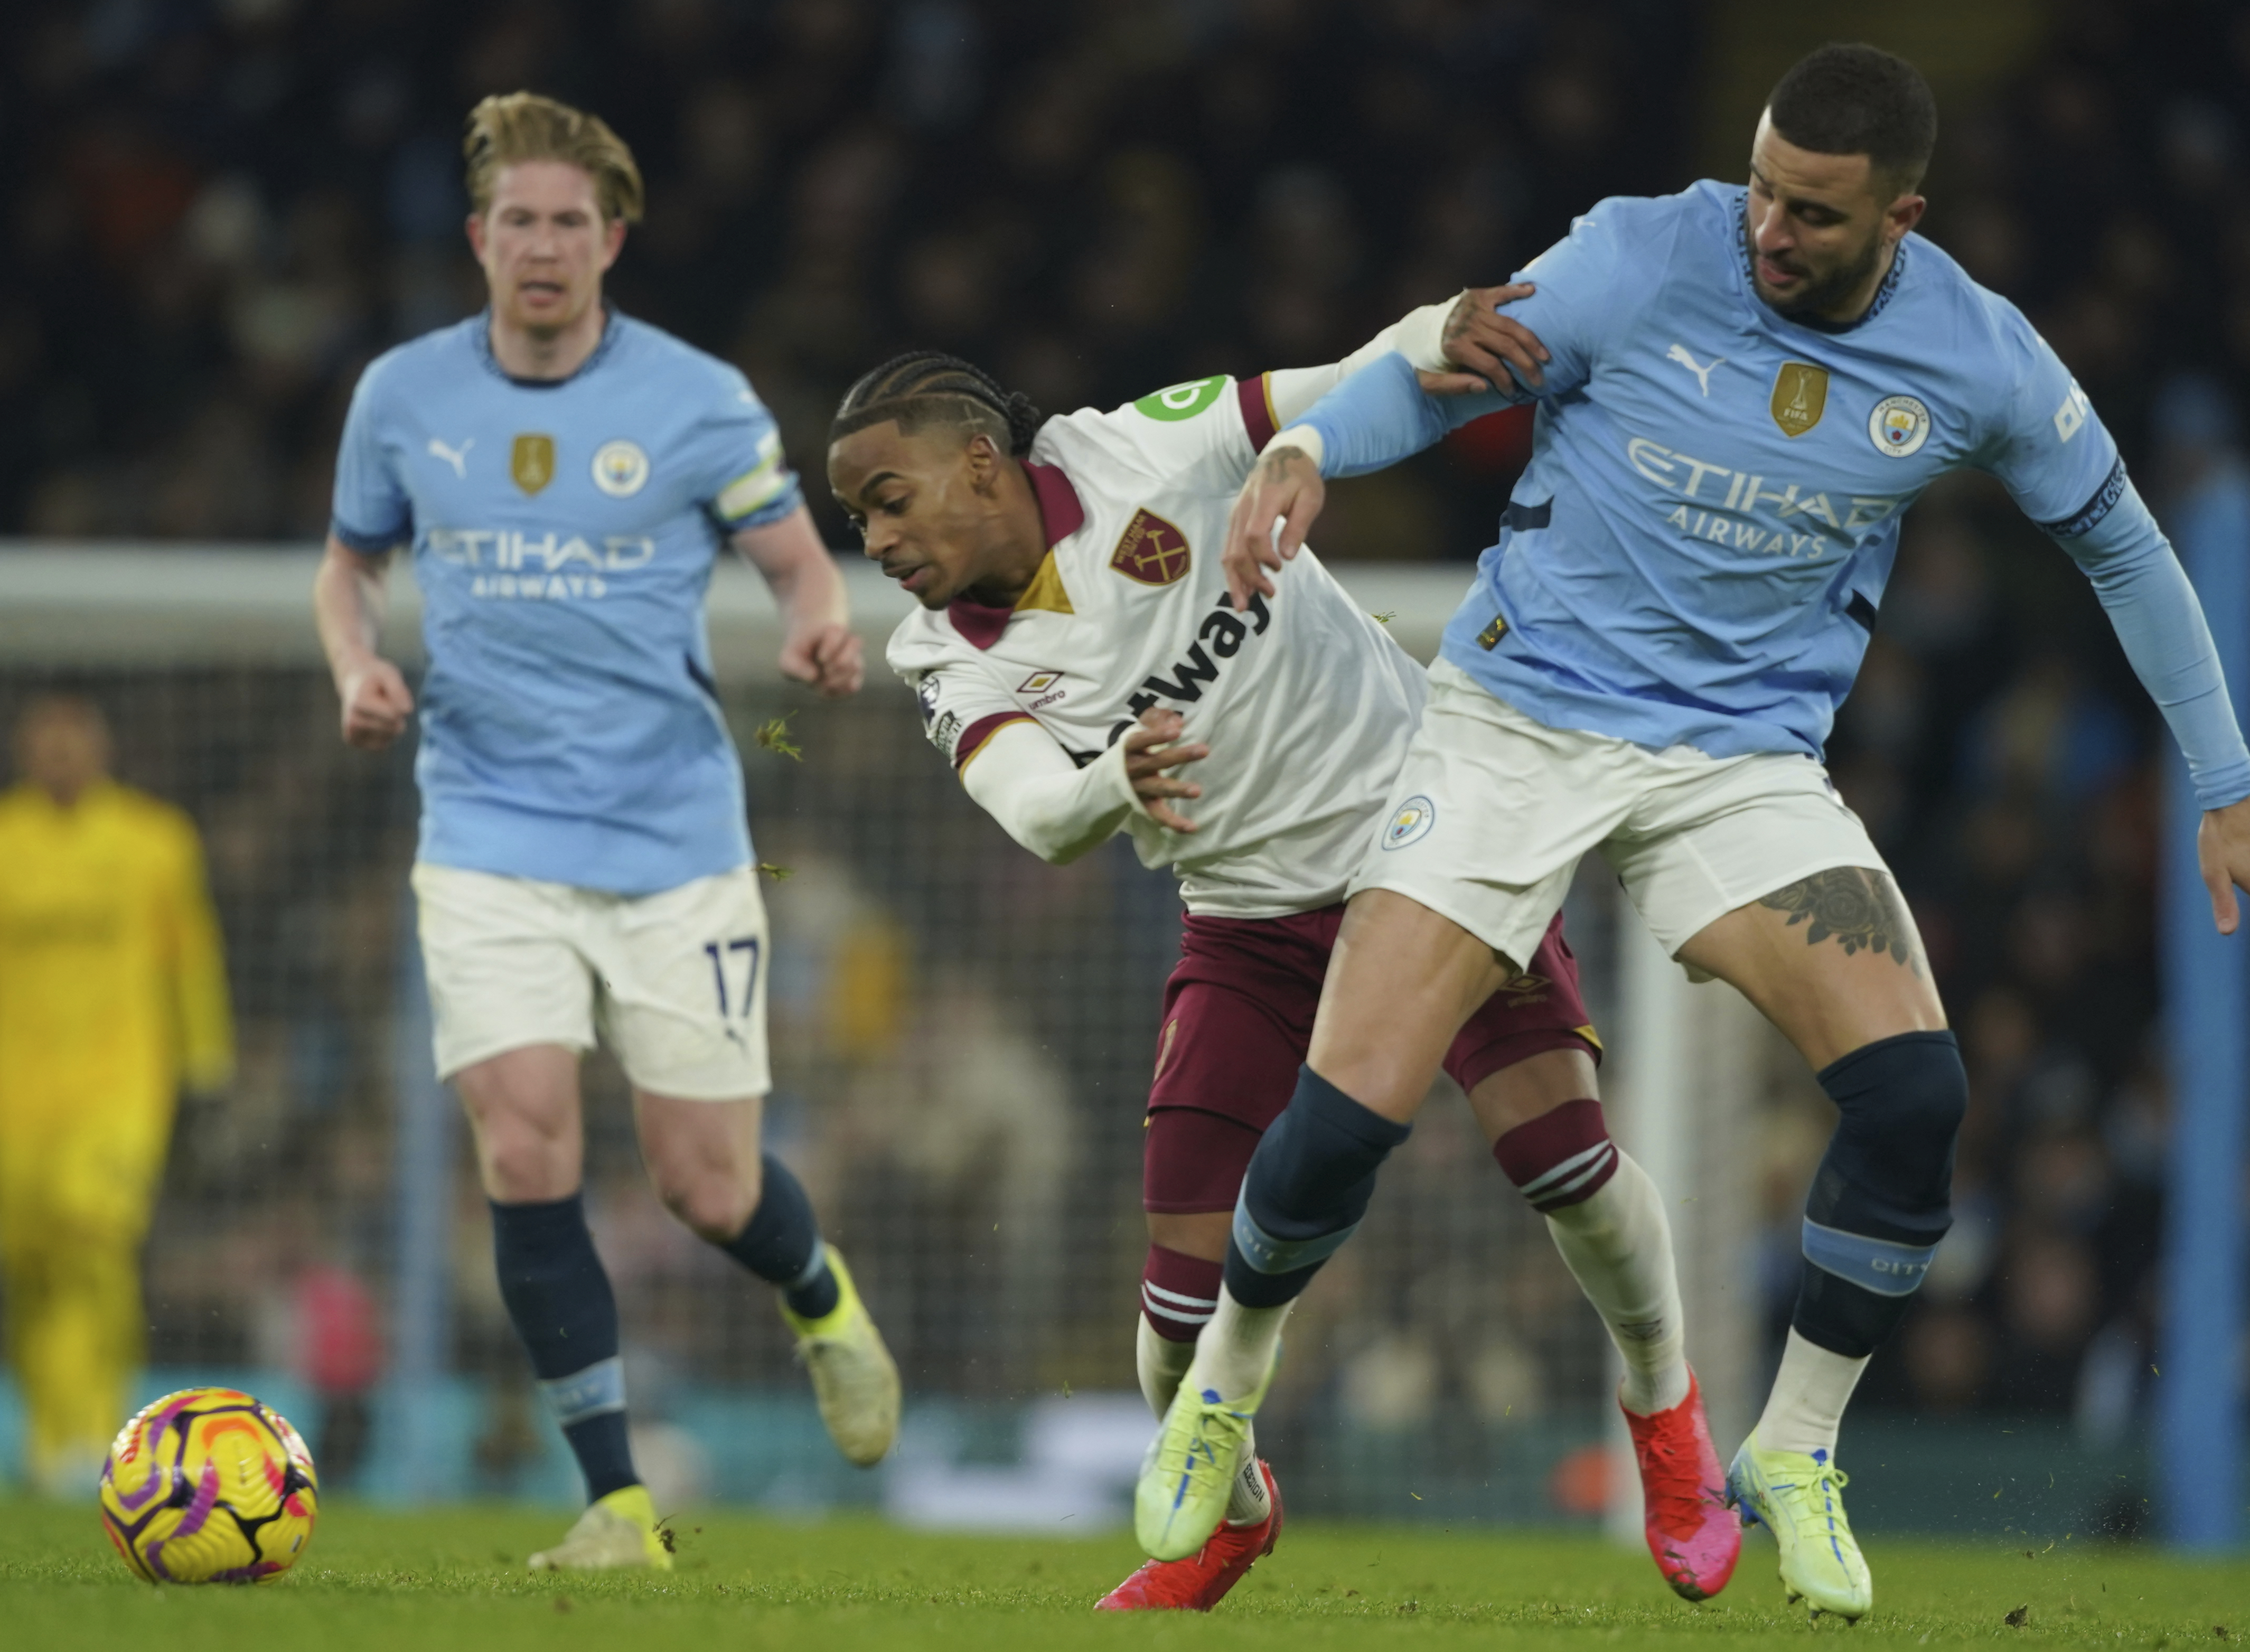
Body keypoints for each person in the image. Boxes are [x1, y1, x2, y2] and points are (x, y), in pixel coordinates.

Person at [1147, 42, 2250, 1621]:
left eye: (1812, 215)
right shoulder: (1641, 252)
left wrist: (2227, 782)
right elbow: (1437, 371)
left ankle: (1791, 1448)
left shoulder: (1976, 356)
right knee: (1350, 1113)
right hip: (1518, 725)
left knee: (1915, 1096)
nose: (1768, 232)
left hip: (1738, 763)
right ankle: (1227, 1380)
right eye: (1765, 192)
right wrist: (1305, 449)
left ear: (1900, 217)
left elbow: (2122, 545)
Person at [831, 303, 1738, 1609]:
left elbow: (1345, 377)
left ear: (981, 461)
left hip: (1432, 850)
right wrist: (1113, 786)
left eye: (890, 498)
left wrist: (1447, 322)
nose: (878, 540)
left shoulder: (1136, 450)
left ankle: (1666, 1419)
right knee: (1171, 1328)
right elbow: (1037, 813)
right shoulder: (942, 653)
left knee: (1567, 1168)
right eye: (861, 518)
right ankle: (1240, 1516)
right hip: (1248, 923)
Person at [313, 91, 895, 1571]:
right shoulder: (402, 396)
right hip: (486, 837)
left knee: (707, 1185)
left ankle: (817, 1291)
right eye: (519, 221)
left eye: (571, 222)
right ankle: (616, 1504)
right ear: (479, 238)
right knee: (522, 1147)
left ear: (612, 239)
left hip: (673, 845)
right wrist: (357, 665)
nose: (544, 246)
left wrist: (819, 632)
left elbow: (795, 566)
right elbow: (348, 569)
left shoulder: (697, 399)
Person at [0, 696, 232, 1497]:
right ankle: (49, 1436)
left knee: (92, 1235)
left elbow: (189, 957)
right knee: (33, 1267)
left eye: (75, 739)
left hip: (121, 1085)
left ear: (103, 747)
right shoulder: (6, 841)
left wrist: (207, 1064)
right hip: (16, 1099)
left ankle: (100, 1429)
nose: (61, 754)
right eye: (45, 740)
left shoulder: (155, 841)